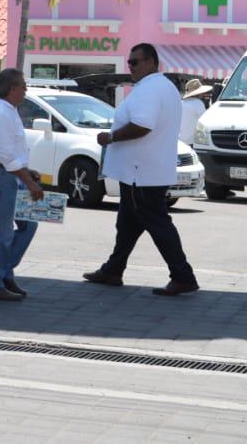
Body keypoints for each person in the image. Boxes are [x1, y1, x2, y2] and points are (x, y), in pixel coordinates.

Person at [84, 44, 199, 296]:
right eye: (129, 62)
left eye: (135, 62)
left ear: (150, 62)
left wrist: (111, 137)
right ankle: (113, 270)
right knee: (127, 224)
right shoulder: (164, 87)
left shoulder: (149, 90)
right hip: (145, 170)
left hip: (141, 173)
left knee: (158, 224)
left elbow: (142, 125)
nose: (130, 67)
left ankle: (183, 276)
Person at [0, 68, 45, 301]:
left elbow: (11, 152)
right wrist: (29, 180)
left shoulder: (8, 111)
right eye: (23, 86)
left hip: (12, 176)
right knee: (2, 234)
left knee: (28, 226)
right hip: (4, 177)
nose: (26, 90)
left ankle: (3, 271)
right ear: (12, 89)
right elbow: (6, 156)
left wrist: (27, 173)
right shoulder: (2, 114)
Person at [179, 78, 212, 145]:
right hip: (193, 142)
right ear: (198, 93)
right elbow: (205, 121)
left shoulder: (181, 103)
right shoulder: (198, 103)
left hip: (180, 141)